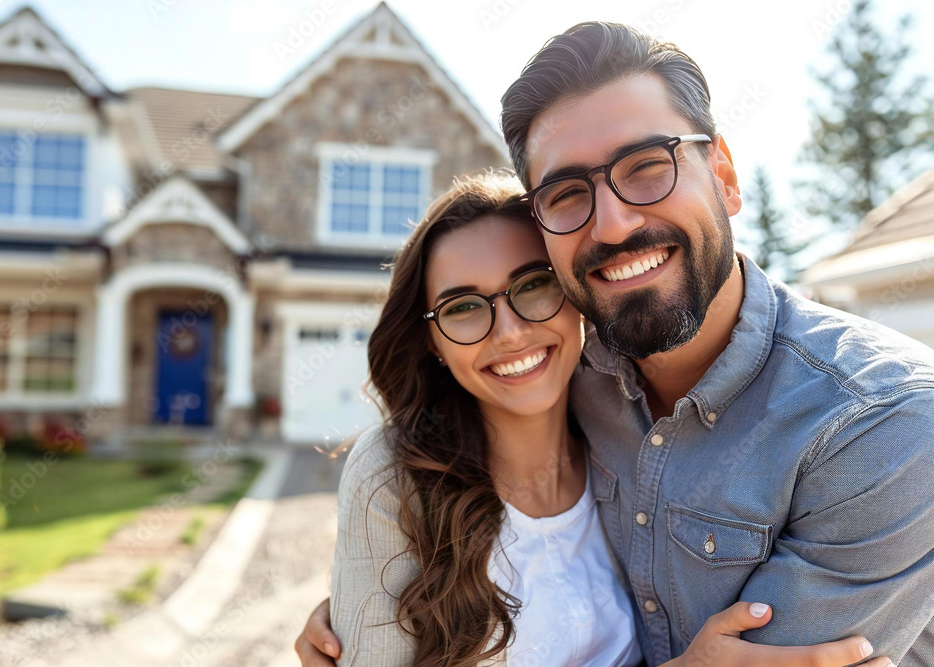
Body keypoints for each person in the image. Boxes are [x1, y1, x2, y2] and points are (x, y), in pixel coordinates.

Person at [300, 21, 934, 666]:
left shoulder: (884, 423)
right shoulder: (567, 375)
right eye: (568, 193)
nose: (614, 223)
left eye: (648, 167)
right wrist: (378, 603)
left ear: (724, 175)